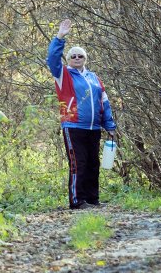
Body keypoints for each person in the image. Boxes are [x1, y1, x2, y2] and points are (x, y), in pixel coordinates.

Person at [47, 19, 116, 209]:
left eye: (80, 56)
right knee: (79, 163)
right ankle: (77, 201)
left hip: (94, 127)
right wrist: (60, 36)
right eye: (73, 56)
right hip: (73, 125)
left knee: (93, 164)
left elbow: (104, 102)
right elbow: (52, 59)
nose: (77, 58)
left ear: (85, 59)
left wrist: (109, 125)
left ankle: (93, 199)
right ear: (68, 59)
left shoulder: (94, 78)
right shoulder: (63, 75)